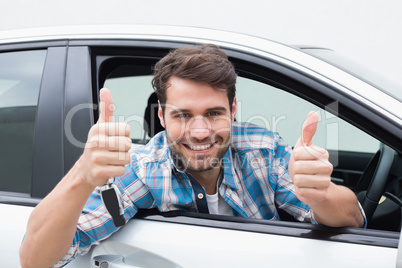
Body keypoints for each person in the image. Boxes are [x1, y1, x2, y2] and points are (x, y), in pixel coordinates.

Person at [20, 44, 365, 268]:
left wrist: (321, 194)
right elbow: (34, 260)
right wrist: (83, 175)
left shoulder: (263, 149)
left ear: (233, 110)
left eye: (214, 113)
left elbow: (353, 220)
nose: (200, 132)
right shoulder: (143, 170)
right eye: (183, 115)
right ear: (161, 117)